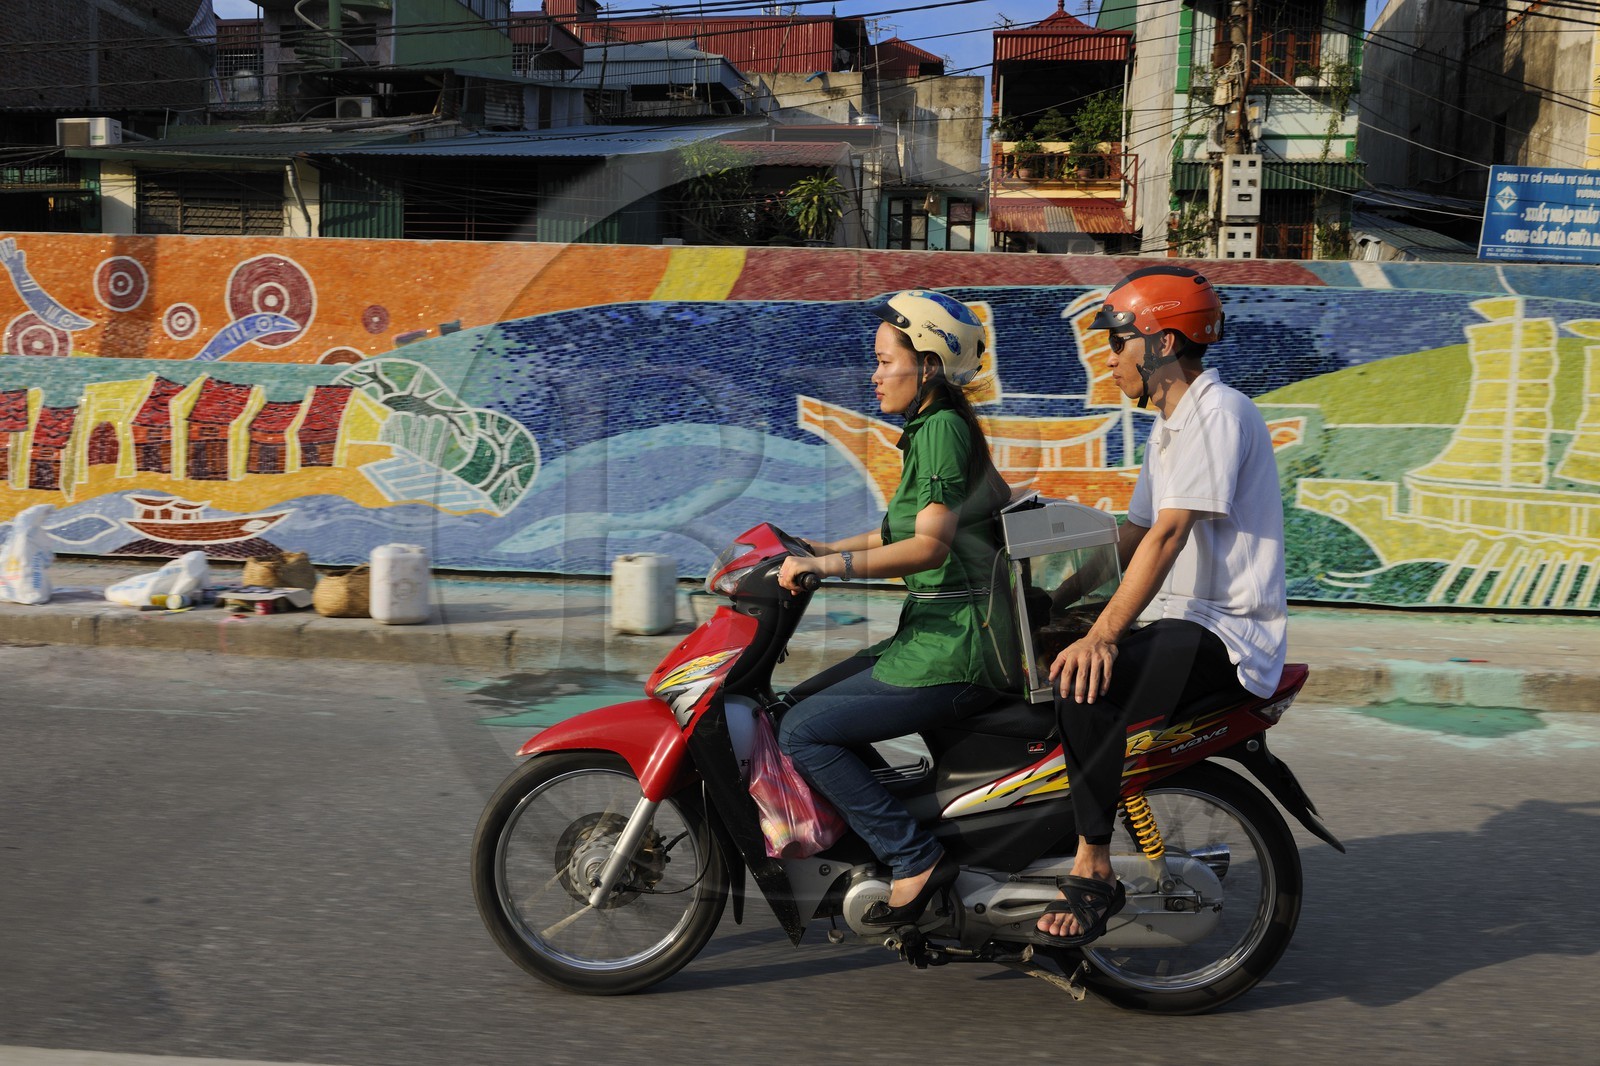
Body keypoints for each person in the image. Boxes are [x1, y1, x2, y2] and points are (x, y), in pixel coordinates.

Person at [1034, 265, 1287, 948]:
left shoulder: (1217, 413)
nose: (1110, 361)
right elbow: (1134, 536)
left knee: (1084, 684)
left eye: (1117, 344)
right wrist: (1054, 602)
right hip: (1182, 621)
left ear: (1162, 341)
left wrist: (1103, 635)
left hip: (1228, 635)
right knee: (1041, 652)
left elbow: (1171, 533)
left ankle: (1093, 866)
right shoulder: (1173, 426)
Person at [777, 289, 1019, 927]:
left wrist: (827, 568)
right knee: (795, 709)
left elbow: (927, 546)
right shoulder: (935, 426)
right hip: (935, 634)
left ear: (930, 365)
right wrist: (825, 547)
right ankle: (877, 832)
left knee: (802, 731)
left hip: (957, 647)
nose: (875, 373)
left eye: (886, 360)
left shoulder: (939, 429)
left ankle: (911, 857)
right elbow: (896, 533)